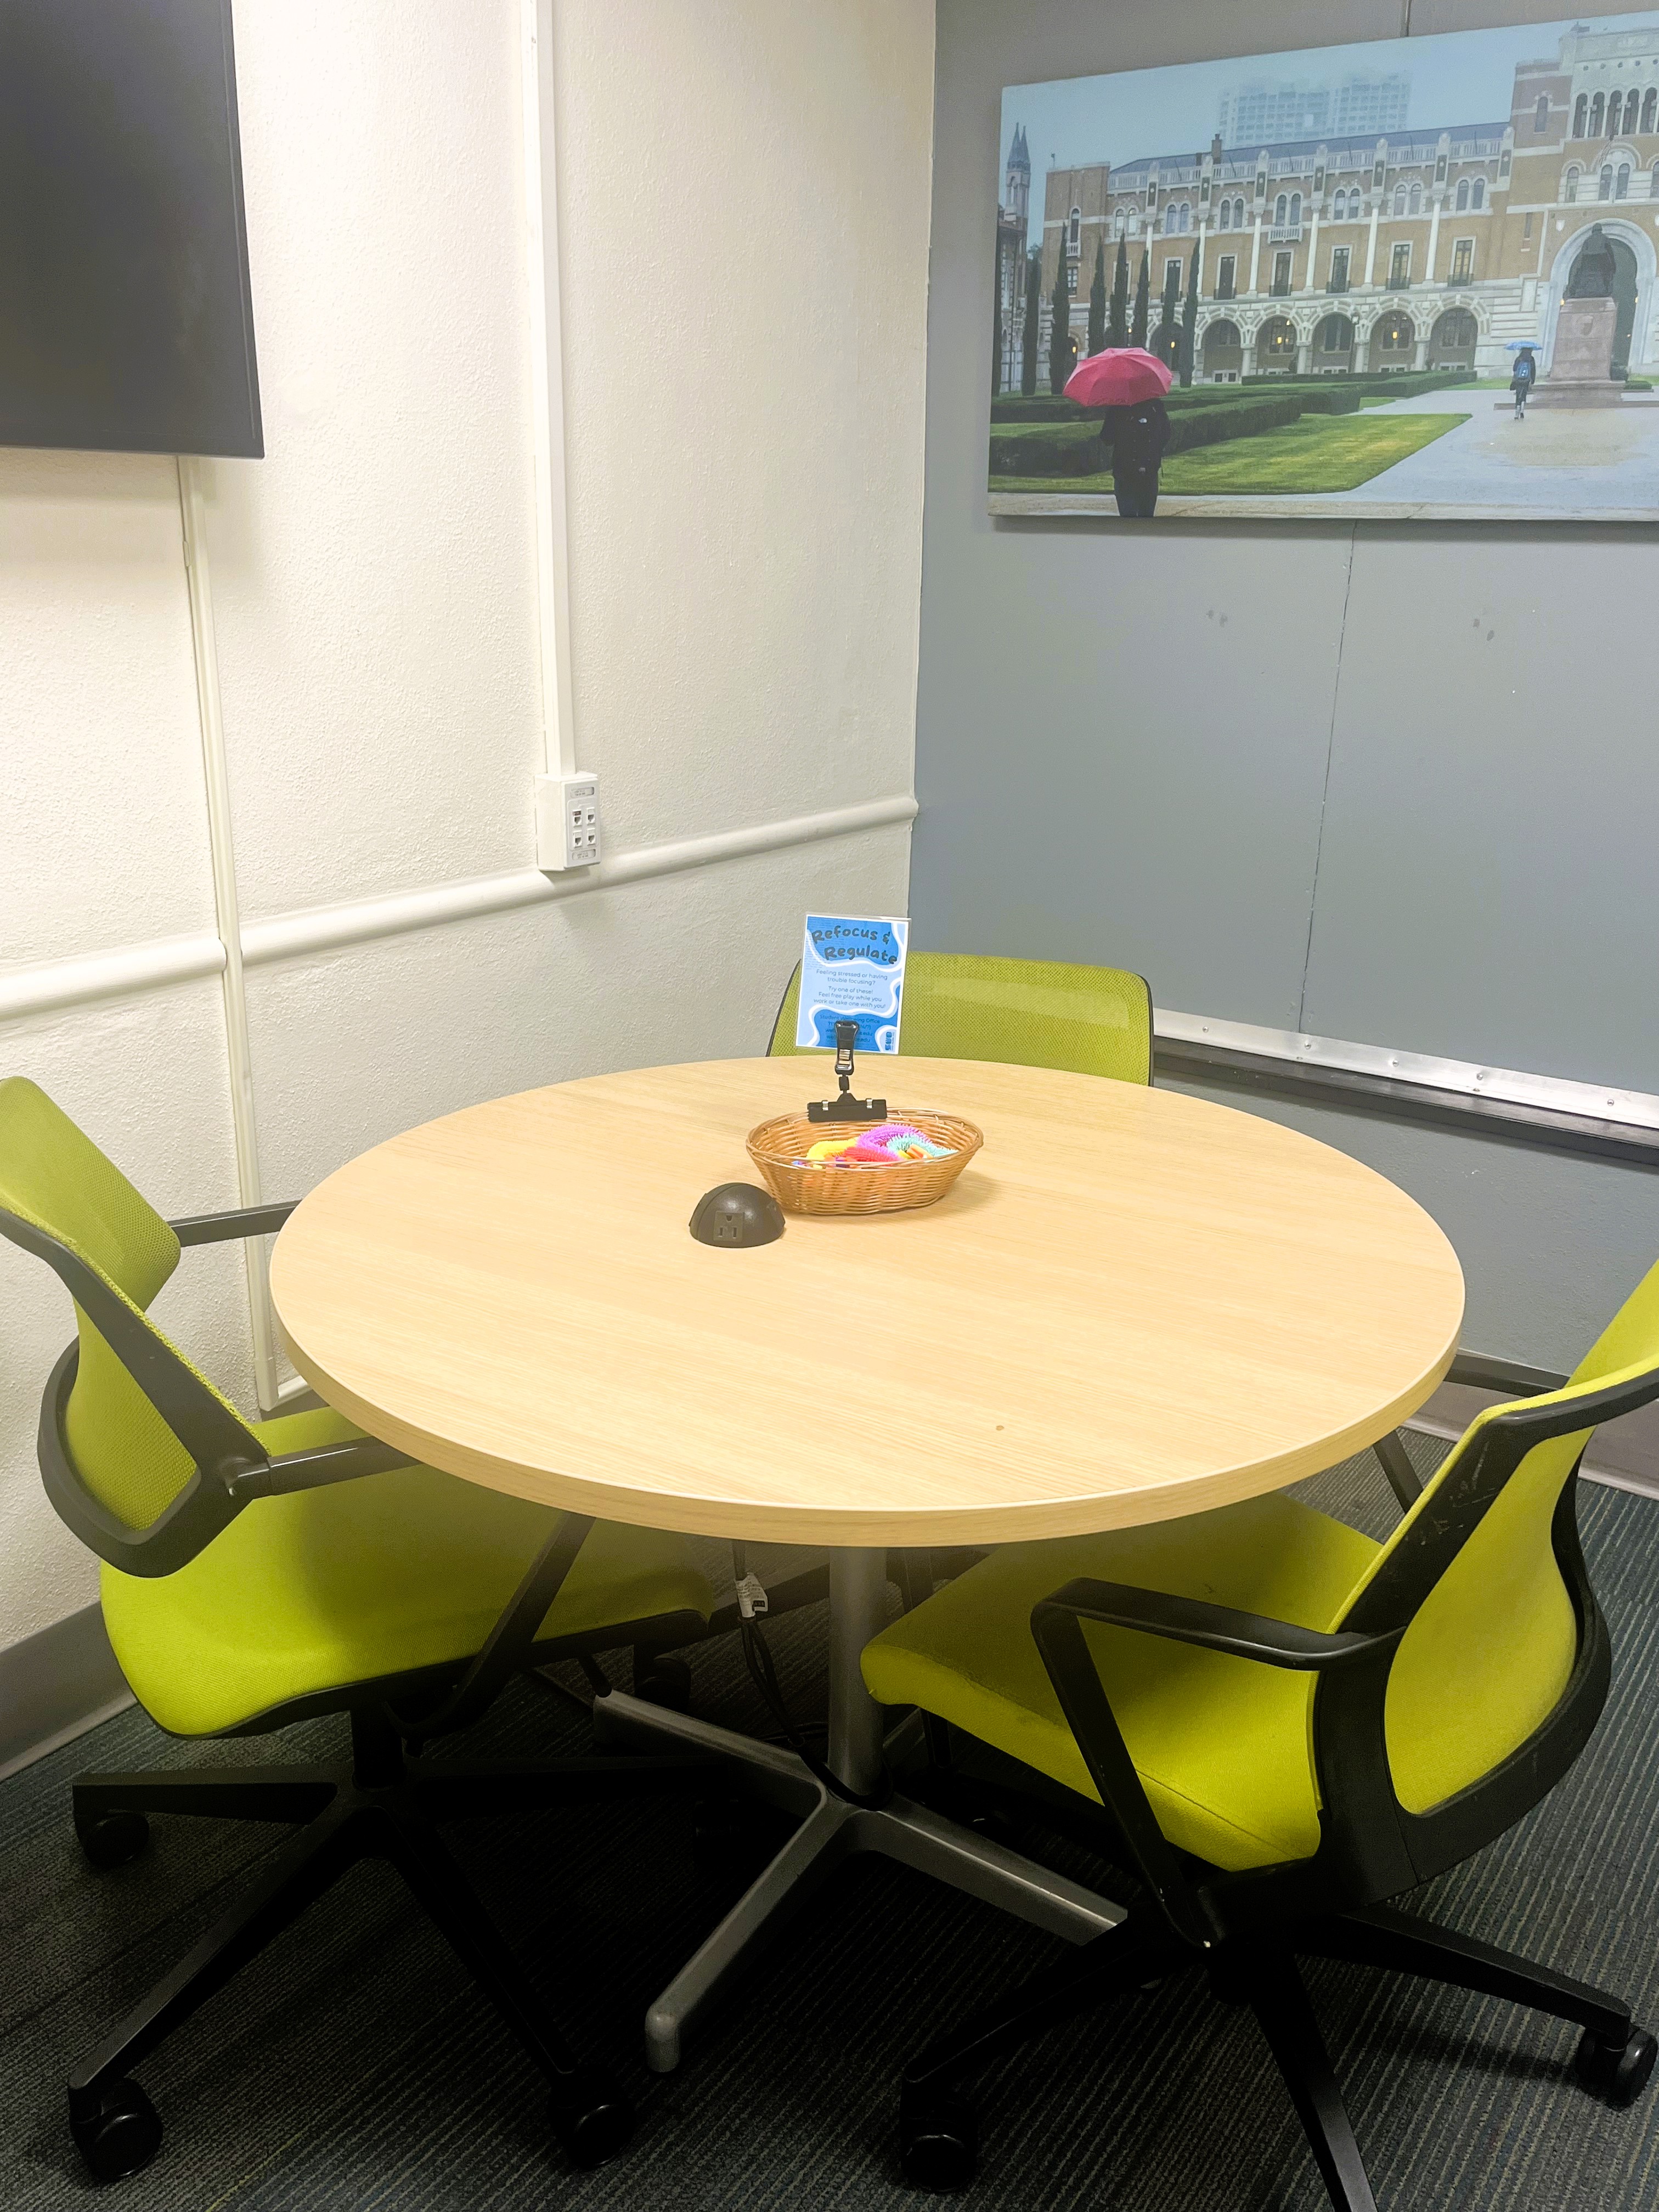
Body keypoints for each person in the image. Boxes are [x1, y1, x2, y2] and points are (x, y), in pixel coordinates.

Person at [1102, 394, 1171, 517]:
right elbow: (1166, 435)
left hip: (1126, 470)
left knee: (1129, 518)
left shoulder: (1117, 408)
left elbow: (1107, 438)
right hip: (1146, 469)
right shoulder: (1156, 406)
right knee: (1146, 518)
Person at [1510, 346, 1536, 419]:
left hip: (1519, 379)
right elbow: (1533, 370)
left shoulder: (1519, 358)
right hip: (1527, 379)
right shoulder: (1531, 359)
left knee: (1518, 394)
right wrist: (1532, 380)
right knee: (1524, 394)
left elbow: (1514, 369)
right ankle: (1522, 411)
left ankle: (1516, 413)